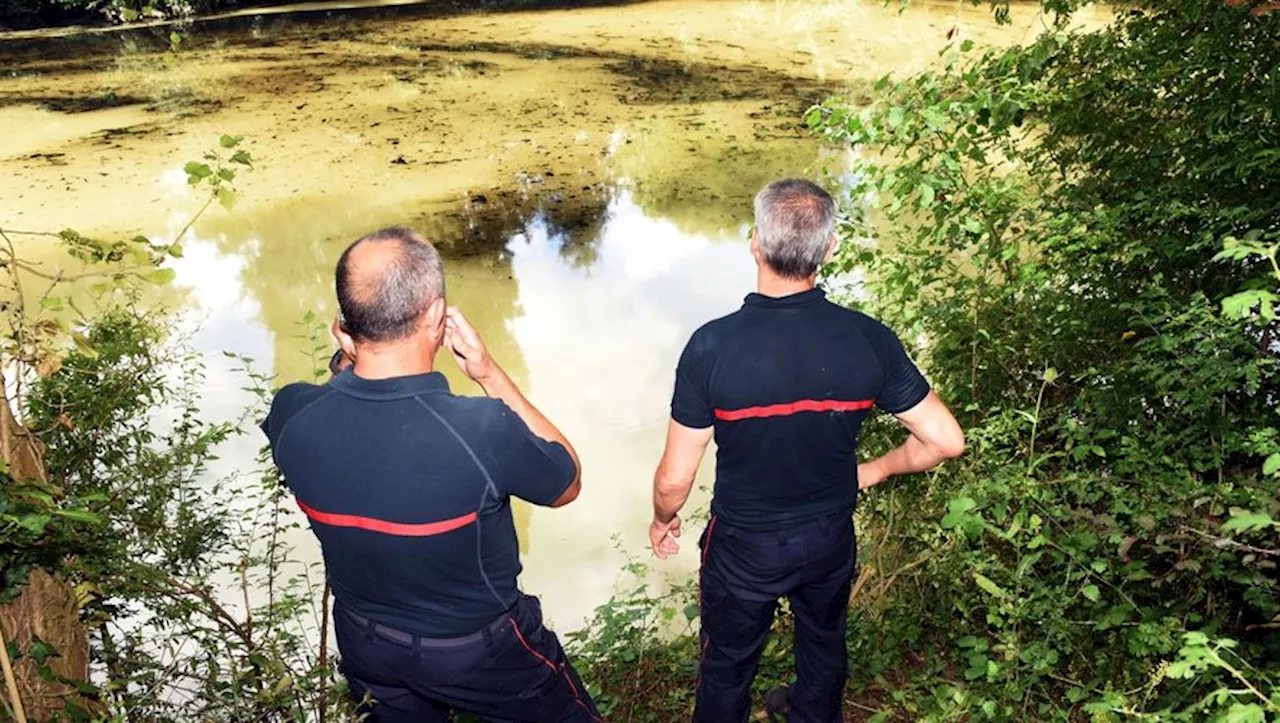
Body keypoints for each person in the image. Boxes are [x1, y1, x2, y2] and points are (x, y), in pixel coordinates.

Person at [649, 179, 965, 723]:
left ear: (754, 242)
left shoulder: (711, 346)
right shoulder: (868, 338)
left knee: (727, 661)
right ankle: (810, 713)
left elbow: (676, 478)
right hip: (829, 533)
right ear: (829, 250)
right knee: (823, 639)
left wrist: (663, 518)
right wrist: (877, 470)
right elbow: (945, 440)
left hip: (744, 545)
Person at [261, 226, 601, 722]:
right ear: (437, 316)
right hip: (482, 652)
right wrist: (489, 373)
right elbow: (565, 480)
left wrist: (347, 362)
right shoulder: (481, 429)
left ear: (344, 324)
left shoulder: (292, 415)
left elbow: (347, 417)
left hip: (366, 641)